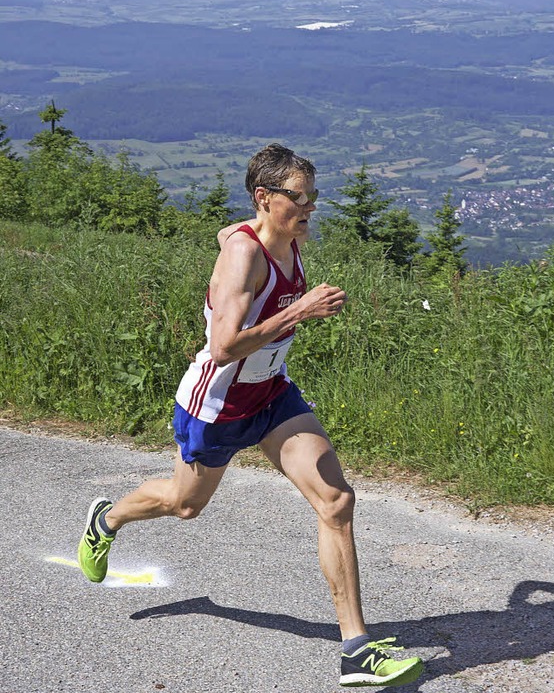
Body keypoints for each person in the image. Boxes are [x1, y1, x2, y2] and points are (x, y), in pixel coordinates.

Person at [78, 143, 424, 688]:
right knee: (184, 505)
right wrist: (300, 309)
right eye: (299, 198)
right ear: (265, 198)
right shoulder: (245, 256)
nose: (310, 208)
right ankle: (109, 519)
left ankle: (356, 648)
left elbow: (227, 233)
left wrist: (262, 251)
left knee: (336, 500)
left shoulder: (285, 237)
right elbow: (222, 347)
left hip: (271, 396)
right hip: (216, 406)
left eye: (313, 198)